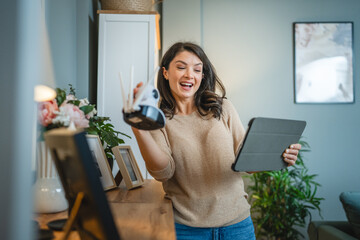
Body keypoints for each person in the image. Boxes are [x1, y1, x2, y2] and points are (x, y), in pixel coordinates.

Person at [131, 42, 301, 240]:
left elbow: (246, 162)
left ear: (202, 77)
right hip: (186, 229)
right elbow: (163, 171)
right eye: (181, 67)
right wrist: (139, 129)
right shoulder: (157, 119)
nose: (189, 75)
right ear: (166, 73)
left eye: (197, 69)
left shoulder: (223, 108)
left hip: (237, 226)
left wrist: (279, 155)